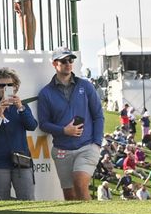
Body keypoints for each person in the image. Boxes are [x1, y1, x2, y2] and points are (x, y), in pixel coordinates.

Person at [36, 47, 103, 200]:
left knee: (80, 183)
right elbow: (44, 124)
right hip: (62, 151)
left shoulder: (85, 86)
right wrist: (64, 131)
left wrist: (97, 143)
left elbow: (98, 116)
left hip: (87, 147)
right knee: (70, 195)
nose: (68, 64)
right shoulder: (46, 93)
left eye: (71, 60)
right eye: (64, 61)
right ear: (55, 64)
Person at [0, 66, 38, 201]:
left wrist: (21, 108)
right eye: (2, 86)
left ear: (16, 87)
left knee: (28, 200)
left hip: (21, 162)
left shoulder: (23, 107)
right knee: (2, 202)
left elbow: (32, 126)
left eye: (9, 85)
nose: (5, 88)